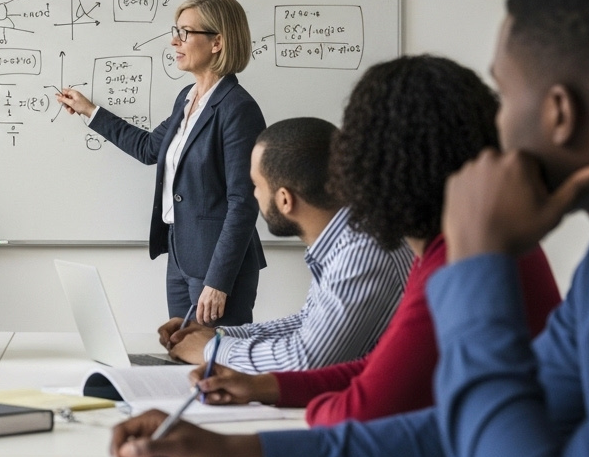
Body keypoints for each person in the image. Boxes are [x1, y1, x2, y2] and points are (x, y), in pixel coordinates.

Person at [110, 0, 589, 457]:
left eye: (502, 95)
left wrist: (475, 267)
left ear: (558, 113)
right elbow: (467, 436)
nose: (488, 132)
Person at [189, 55, 561, 425]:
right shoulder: (457, 245)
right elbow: (378, 368)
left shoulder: (458, 256)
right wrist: (264, 386)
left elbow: (360, 404)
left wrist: (250, 435)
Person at [57, 0, 266, 326]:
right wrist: (89, 111)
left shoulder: (237, 108)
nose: (174, 41)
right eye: (176, 31)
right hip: (180, 257)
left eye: (185, 32)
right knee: (181, 361)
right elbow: (148, 148)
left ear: (217, 42)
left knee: (214, 369)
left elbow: (243, 202)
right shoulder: (187, 98)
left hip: (216, 268)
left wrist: (218, 281)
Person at [161, 117, 412, 368]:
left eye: (256, 186)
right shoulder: (345, 240)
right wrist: (218, 335)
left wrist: (211, 349)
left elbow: (305, 359)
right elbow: (306, 322)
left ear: (284, 200)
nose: (253, 195)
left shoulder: (362, 253)